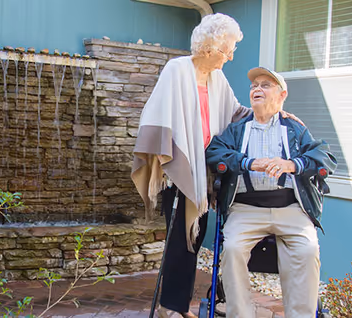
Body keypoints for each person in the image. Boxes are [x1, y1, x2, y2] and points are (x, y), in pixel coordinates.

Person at [131, 13, 303, 318]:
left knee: (194, 238)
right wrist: (165, 158)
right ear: (210, 47)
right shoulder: (178, 70)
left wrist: (275, 112)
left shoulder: (217, 79)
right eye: (228, 49)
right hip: (179, 167)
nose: (231, 56)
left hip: (204, 171)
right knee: (178, 241)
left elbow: (237, 112)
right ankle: (169, 307)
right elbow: (156, 114)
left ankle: (177, 305)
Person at [205, 67, 337, 318]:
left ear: (282, 94)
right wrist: (247, 162)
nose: (257, 88)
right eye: (254, 85)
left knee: (308, 251)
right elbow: (214, 152)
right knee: (232, 249)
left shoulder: (294, 128)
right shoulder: (238, 129)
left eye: (266, 85)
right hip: (246, 209)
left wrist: (292, 164)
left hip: (290, 208)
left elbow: (324, 155)